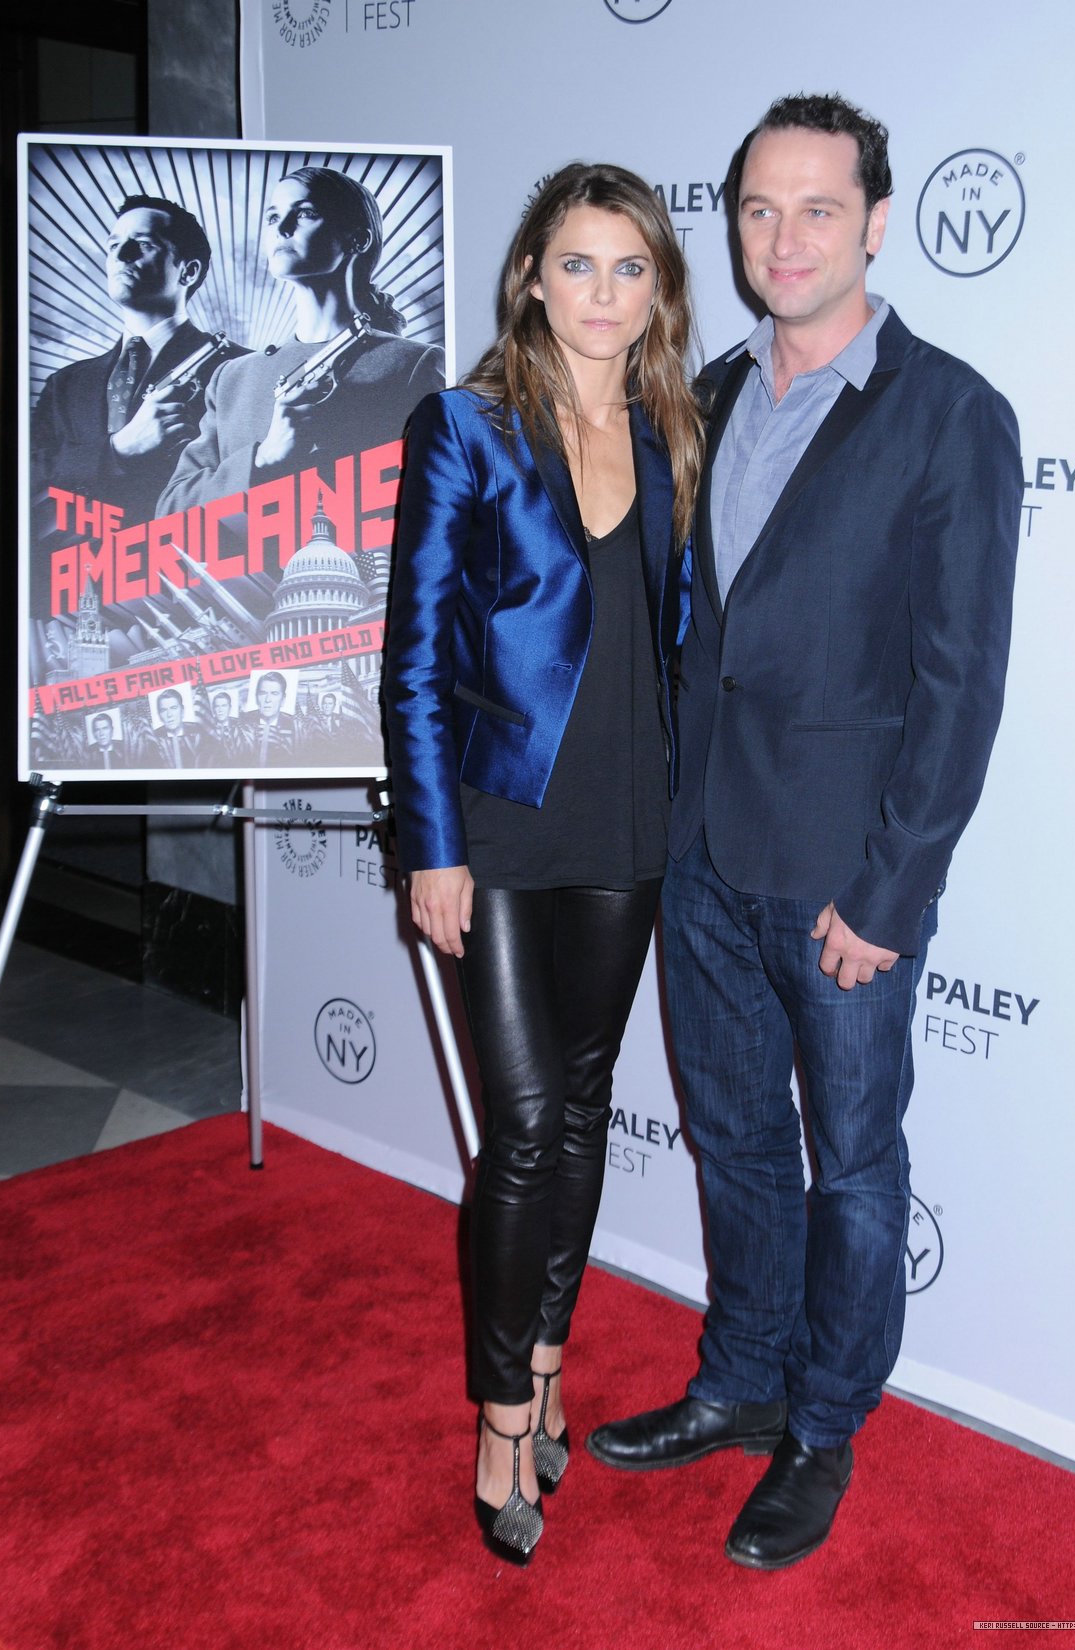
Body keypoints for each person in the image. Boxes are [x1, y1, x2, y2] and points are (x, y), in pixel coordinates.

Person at [585, 95, 1022, 1571]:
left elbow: (960, 688)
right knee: (734, 1143)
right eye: (760, 209)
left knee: (850, 1161)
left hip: (845, 877)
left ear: (876, 222)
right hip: (701, 853)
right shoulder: (704, 390)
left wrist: (893, 888)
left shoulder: (951, 413)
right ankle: (742, 1376)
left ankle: (825, 1424)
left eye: (819, 209)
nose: (785, 237)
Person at [384, 163, 701, 1566]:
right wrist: (432, 845)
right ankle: (504, 1406)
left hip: (630, 820)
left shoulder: (668, 424)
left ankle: (556, 1349)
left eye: (629, 269)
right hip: (503, 824)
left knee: (583, 1106)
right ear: (530, 275)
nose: (602, 294)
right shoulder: (465, 425)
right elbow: (411, 660)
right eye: (578, 265)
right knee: (521, 1129)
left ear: (658, 292)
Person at [158, 166, 444, 519]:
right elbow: (171, 513)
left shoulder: (414, 364)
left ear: (358, 239)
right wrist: (264, 458)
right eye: (273, 216)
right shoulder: (231, 378)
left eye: (305, 213)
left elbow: (438, 500)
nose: (282, 228)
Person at [32, 194, 244, 528]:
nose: (121, 254)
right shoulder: (64, 384)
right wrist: (117, 451)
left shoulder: (240, 367)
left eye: (143, 244)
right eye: (114, 244)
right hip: (78, 570)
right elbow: (26, 478)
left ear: (188, 272)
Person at [239, 671, 298, 766]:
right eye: (263, 693)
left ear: (283, 699)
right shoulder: (241, 723)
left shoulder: (296, 727)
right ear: (256, 697)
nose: (267, 700)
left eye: (274, 693)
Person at [149, 688, 202, 768]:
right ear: (159, 715)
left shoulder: (198, 733)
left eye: (173, 708)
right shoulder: (153, 742)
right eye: (164, 710)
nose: (169, 714)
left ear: (182, 711)